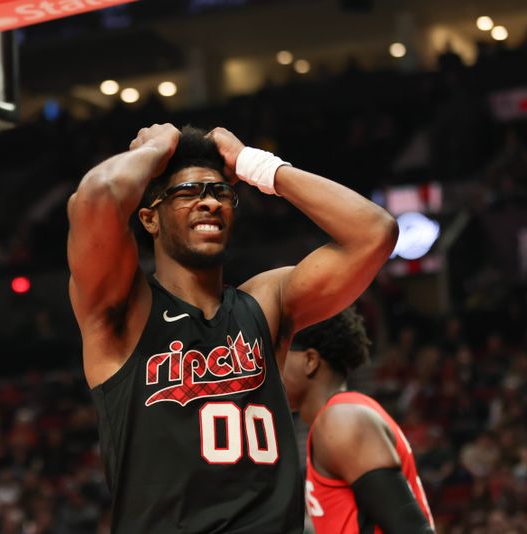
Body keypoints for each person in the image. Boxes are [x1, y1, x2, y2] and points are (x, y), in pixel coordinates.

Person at [66, 123, 398, 533]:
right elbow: (97, 196)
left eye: (220, 192)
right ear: (150, 219)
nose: (209, 203)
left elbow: (375, 232)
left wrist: (253, 164)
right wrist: (156, 149)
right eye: (187, 193)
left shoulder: (265, 303)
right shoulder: (124, 311)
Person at [282, 306, 435, 533]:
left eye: (279, 354)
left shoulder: (341, 420)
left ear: (310, 360)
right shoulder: (335, 420)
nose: (268, 368)